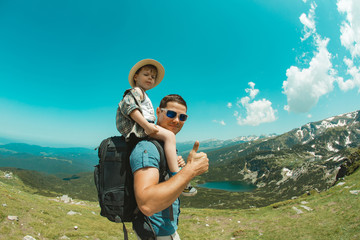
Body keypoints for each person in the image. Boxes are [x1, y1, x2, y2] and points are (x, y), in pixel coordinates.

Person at [130, 94, 209, 239]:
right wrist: (190, 172)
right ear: (158, 111)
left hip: (166, 231)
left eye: (182, 117)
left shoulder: (165, 146)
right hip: (155, 233)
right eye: (171, 114)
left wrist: (182, 172)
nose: (176, 120)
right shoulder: (147, 148)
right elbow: (146, 204)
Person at [116, 59, 196, 196]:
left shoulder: (143, 94)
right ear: (136, 77)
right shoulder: (136, 91)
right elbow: (129, 107)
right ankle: (178, 177)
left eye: (152, 77)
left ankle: (175, 170)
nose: (150, 78)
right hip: (137, 128)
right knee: (169, 136)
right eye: (146, 74)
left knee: (168, 139)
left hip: (141, 126)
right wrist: (146, 125)